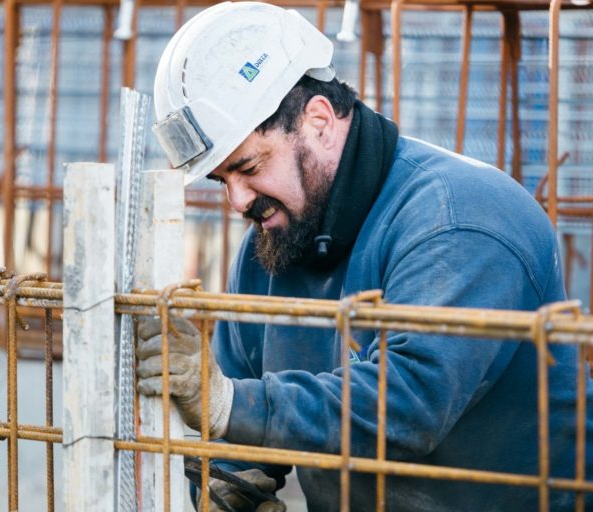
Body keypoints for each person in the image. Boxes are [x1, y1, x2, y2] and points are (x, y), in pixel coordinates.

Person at [135, 2, 593, 510]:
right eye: (224, 180)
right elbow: (239, 415)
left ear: (319, 121)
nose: (237, 200)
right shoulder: (277, 239)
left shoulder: (458, 219)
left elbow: (406, 408)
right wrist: (225, 483)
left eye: (249, 167)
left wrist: (226, 404)